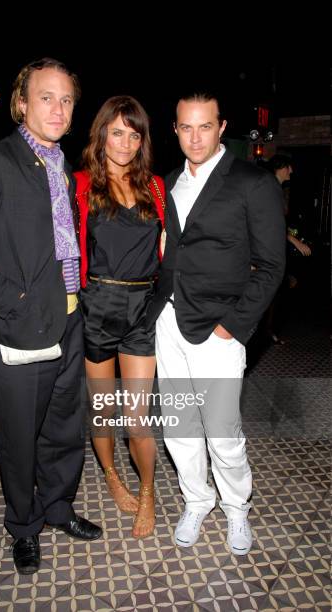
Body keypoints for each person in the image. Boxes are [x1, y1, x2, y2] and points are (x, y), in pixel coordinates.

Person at [0, 58, 102, 575]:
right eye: (46, 97)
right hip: (18, 324)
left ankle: (58, 508)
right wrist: (13, 299)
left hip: (72, 318)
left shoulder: (61, 165)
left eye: (67, 99)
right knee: (17, 437)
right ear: (22, 103)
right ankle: (24, 525)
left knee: (63, 429)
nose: (57, 108)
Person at [146, 90, 286, 555]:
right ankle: (197, 499)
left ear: (222, 126)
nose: (196, 136)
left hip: (218, 327)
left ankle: (236, 508)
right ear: (175, 129)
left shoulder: (252, 181)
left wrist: (233, 325)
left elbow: (271, 266)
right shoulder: (167, 183)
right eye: (186, 127)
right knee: (179, 425)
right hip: (169, 321)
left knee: (222, 430)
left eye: (205, 126)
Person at [74, 96, 165, 538]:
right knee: (102, 407)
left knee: (138, 417)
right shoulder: (80, 186)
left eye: (134, 134)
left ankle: (148, 491)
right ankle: (111, 475)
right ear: (102, 134)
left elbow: (170, 251)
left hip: (141, 309)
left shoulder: (157, 188)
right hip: (98, 306)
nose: (126, 142)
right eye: (117, 132)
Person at [265, 154, 312, 343]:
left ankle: (269, 332)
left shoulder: (277, 189)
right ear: (282, 168)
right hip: (269, 251)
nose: (291, 171)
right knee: (271, 294)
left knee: (277, 293)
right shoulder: (270, 189)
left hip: (276, 249)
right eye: (289, 167)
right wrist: (295, 241)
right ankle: (267, 333)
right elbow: (269, 225)